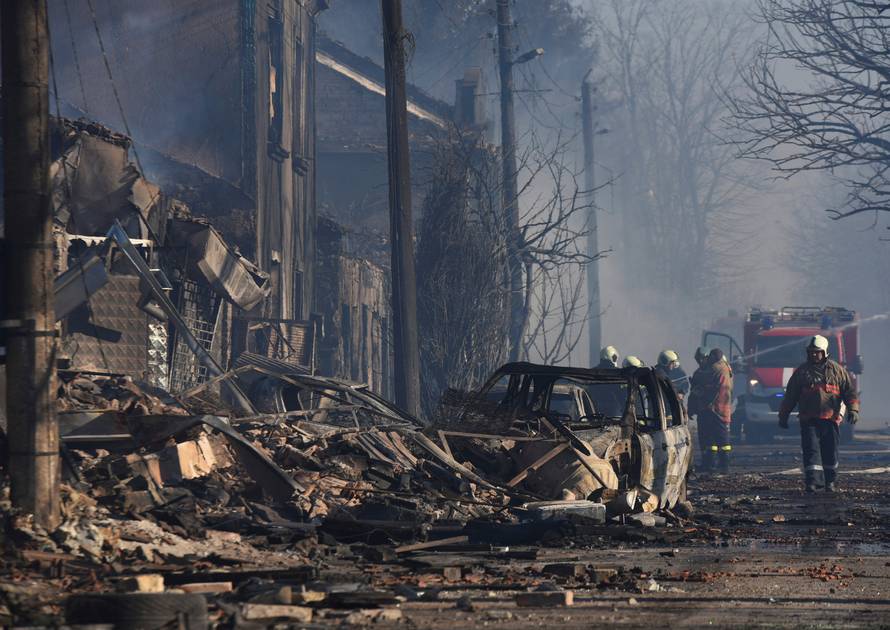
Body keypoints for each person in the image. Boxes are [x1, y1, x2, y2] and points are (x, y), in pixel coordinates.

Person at [778, 335, 859, 493]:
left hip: (831, 419)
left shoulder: (838, 371)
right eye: (811, 352)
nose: (814, 355)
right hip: (809, 420)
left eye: (817, 352)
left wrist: (853, 409)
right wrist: (783, 415)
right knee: (811, 451)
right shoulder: (802, 372)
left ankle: (830, 482)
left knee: (830, 451)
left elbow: (849, 392)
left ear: (825, 352)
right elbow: (790, 396)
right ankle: (812, 482)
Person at [688, 348, 734, 474]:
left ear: (708, 357)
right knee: (707, 439)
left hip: (718, 409)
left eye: (702, 359)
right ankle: (709, 464)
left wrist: (703, 393)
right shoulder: (702, 371)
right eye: (698, 360)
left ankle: (724, 465)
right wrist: (692, 407)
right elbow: (695, 390)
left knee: (721, 438)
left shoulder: (720, 369)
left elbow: (719, 390)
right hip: (706, 410)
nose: (700, 362)